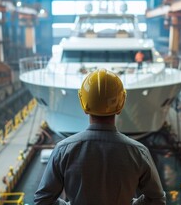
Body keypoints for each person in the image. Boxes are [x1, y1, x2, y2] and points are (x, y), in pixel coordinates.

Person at [34, 68, 166, 205]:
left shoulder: (63, 150)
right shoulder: (138, 152)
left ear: (84, 105)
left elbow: (42, 200)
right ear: (120, 105)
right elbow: (156, 200)